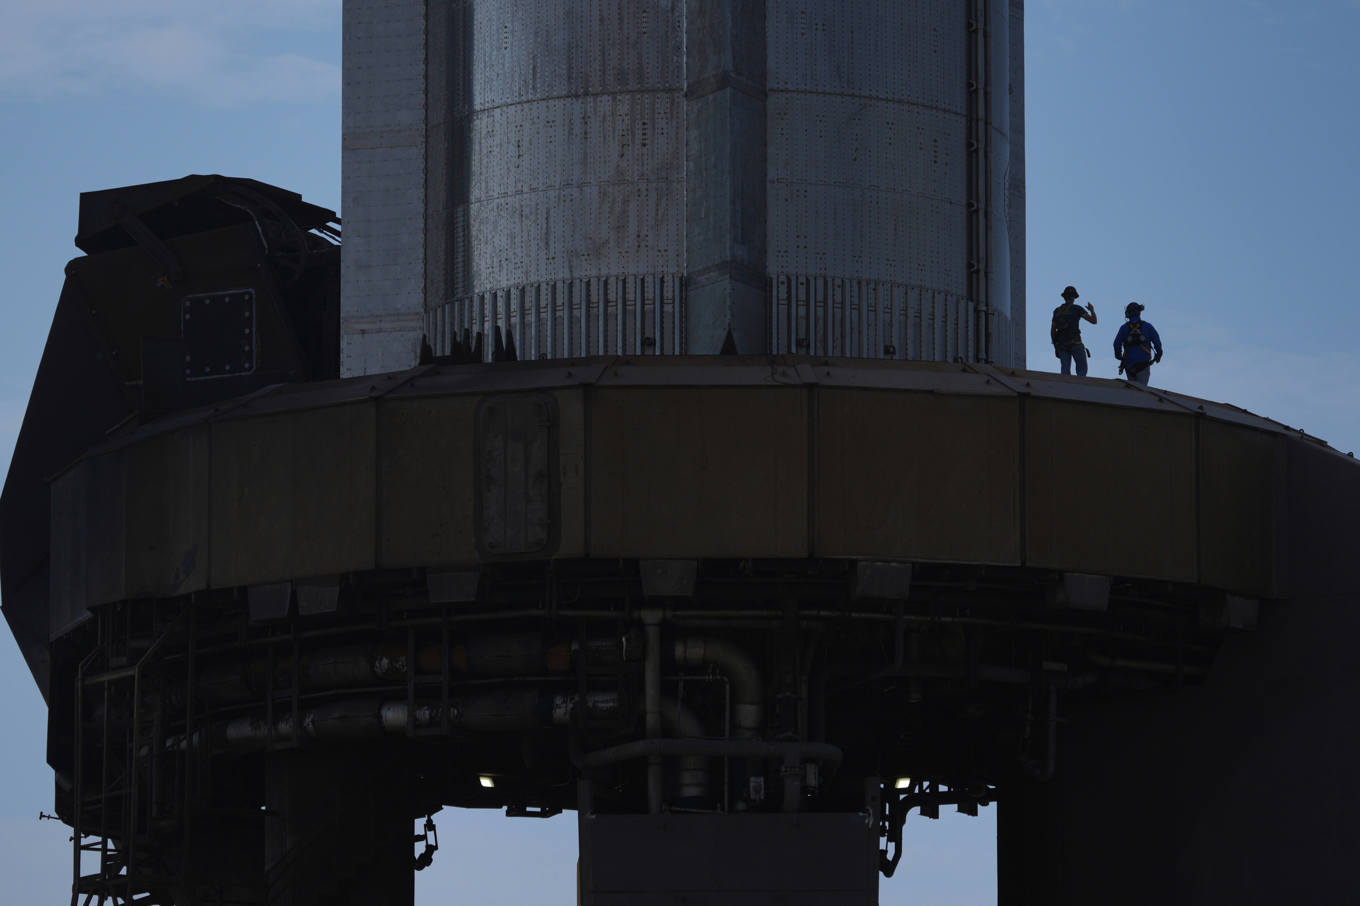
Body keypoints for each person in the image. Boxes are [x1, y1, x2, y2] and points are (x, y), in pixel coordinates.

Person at [1050, 285, 1097, 376]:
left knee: (1065, 372)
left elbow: (1052, 331)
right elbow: (1094, 321)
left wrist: (1056, 347)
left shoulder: (1057, 311)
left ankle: (1066, 388)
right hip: (1075, 342)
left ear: (1064, 297)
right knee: (1082, 369)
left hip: (1062, 345)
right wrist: (1092, 310)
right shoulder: (1077, 309)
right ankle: (1079, 388)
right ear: (1073, 297)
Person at [1113, 302, 1163, 385]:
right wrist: (1158, 355)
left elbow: (1116, 344)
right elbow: (1157, 343)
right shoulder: (1148, 326)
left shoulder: (1124, 328)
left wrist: (1119, 357)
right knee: (1141, 391)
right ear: (1139, 312)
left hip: (1129, 365)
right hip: (1143, 364)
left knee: (1132, 391)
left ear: (1128, 314)